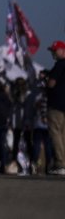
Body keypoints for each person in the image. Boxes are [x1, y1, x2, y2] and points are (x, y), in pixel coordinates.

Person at [46, 40, 65, 175]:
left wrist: (46, 81)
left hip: (56, 104)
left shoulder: (59, 65)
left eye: (55, 50)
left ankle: (60, 163)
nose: (53, 53)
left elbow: (51, 84)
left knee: (55, 134)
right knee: (63, 135)